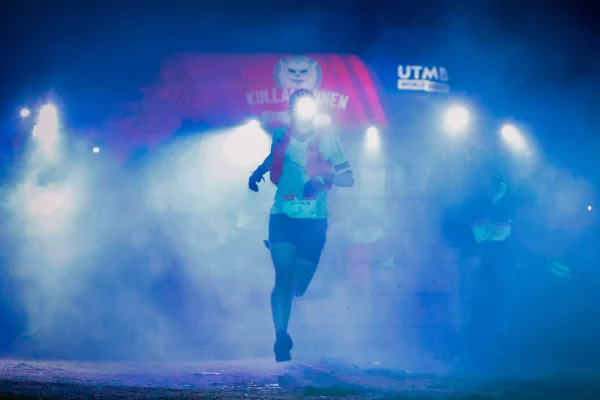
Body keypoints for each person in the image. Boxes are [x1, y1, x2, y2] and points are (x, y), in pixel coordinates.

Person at [248, 89, 355, 362]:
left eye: (307, 109)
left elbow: (348, 178)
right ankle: (281, 336)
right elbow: (275, 158)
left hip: (314, 222)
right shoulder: (281, 135)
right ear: (291, 112)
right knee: (282, 276)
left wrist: (321, 179)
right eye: (298, 109)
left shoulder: (327, 140)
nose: (302, 114)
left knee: (298, 286)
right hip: (282, 215)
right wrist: (258, 171)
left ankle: (287, 267)